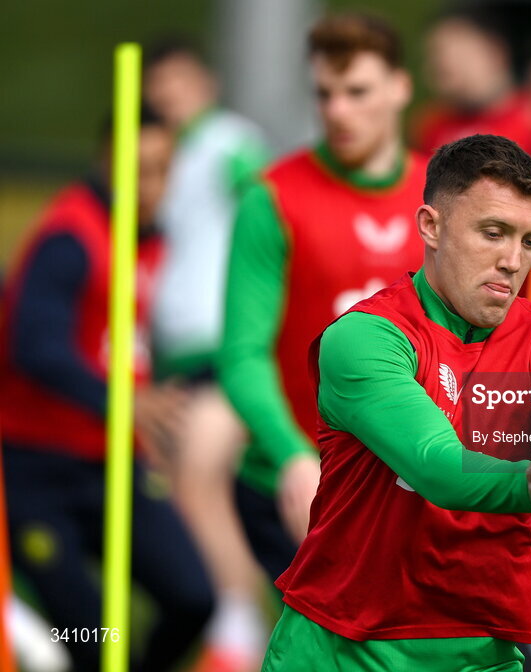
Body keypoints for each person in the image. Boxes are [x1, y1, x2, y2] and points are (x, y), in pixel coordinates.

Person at [261, 133, 531, 672]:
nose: (513, 260)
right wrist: (526, 483)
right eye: (493, 233)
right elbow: (436, 467)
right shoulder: (366, 336)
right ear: (431, 226)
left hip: (480, 657)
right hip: (340, 652)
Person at [0, 105, 213, 672]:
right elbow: (36, 347)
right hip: (39, 471)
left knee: (193, 599)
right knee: (92, 633)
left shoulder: (152, 239)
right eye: (137, 169)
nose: (150, 186)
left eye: (162, 170)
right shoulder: (70, 238)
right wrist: (123, 401)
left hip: (116, 465)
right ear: (105, 161)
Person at [218, 13, 426, 582]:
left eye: (356, 92)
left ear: (400, 88)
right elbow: (241, 354)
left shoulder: (446, 200)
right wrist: (290, 455)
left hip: (418, 484)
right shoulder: (272, 198)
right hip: (301, 487)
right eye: (324, 94)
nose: (337, 111)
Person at [143, 37, 271, 672]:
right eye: (156, 86)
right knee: (190, 493)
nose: (166, 96)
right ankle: (236, 629)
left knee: (199, 482)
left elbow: (267, 202)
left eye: (177, 81)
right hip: (174, 359)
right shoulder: (159, 159)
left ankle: (237, 637)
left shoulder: (225, 140)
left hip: (227, 349)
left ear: (205, 83)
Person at [413, 7, 531, 157]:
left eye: (459, 51)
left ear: (496, 50)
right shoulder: (431, 126)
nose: (445, 63)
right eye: (436, 54)